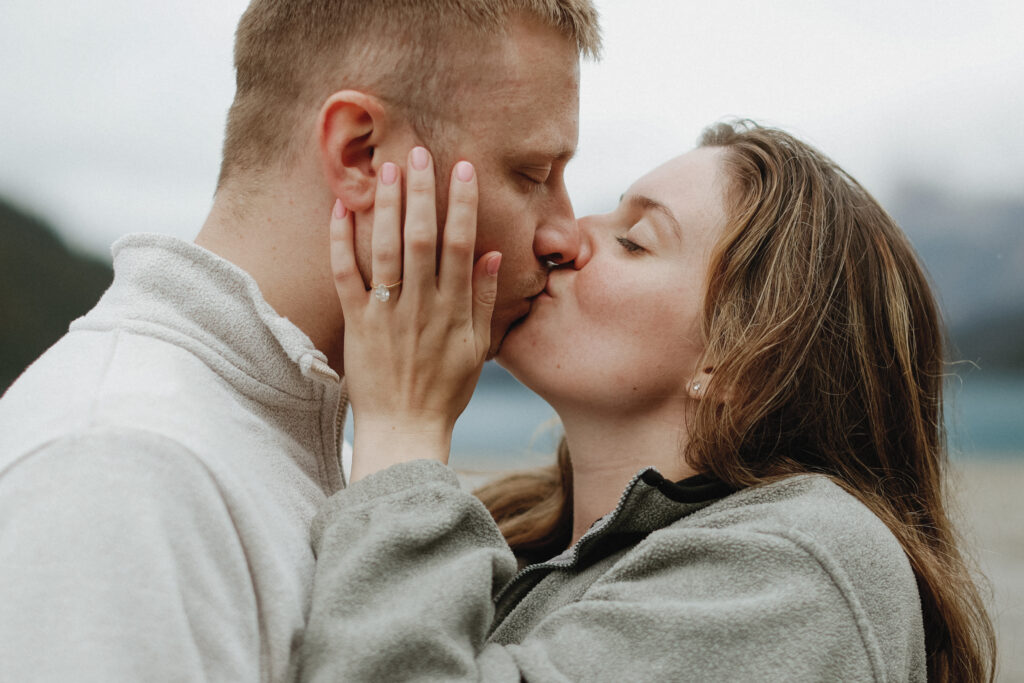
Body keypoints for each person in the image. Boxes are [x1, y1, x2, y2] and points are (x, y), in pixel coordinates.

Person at [0, 1, 599, 680]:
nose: (565, 233)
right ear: (360, 154)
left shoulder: (305, 443)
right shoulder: (118, 470)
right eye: (532, 174)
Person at [297, 122, 996, 682]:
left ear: (739, 360)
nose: (560, 236)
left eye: (632, 240)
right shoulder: (513, 538)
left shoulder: (803, 568)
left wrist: (403, 428)